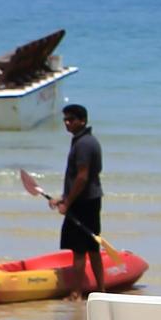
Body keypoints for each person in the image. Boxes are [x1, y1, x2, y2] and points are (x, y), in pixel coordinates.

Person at [49, 101, 107, 296]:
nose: (67, 123)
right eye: (65, 119)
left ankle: (76, 292)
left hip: (83, 202)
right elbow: (79, 178)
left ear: (82, 121)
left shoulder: (83, 144)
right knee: (92, 247)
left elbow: (82, 177)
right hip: (90, 199)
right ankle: (101, 289)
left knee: (80, 249)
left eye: (71, 119)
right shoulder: (86, 140)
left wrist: (67, 202)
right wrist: (62, 198)